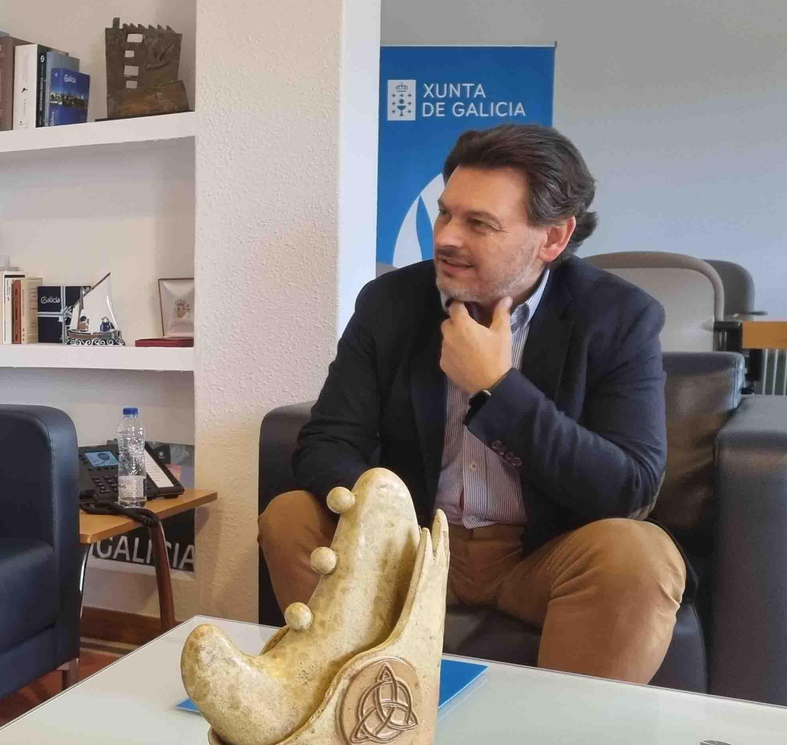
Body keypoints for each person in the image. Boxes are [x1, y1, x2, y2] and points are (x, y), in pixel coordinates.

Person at [260, 123, 685, 684]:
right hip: (412, 544)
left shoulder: (618, 316)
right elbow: (327, 442)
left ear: (552, 238)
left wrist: (498, 388)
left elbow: (629, 488)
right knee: (291, 516)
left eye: (479, 224)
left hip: (543, 555)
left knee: (639, 556)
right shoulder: (392, 303)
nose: (446, 237)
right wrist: (386, 520)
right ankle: (347, 718)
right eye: (445, 213)